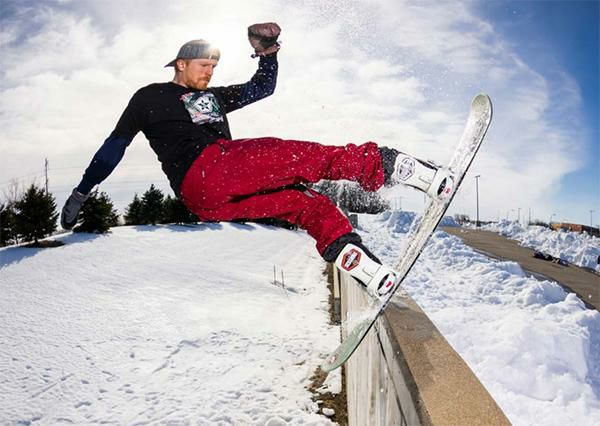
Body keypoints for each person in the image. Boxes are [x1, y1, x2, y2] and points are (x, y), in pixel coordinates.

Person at [60, 23, 453, 299]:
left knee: (303, 204)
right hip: (206, 170)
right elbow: (114, 146)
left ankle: (359, 262)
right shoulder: (149, 96)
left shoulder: (211, 98)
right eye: (203, 67)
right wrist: (82, 191)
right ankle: (395, 167)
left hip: (208, 203)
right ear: (180, 64)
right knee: (305, 157)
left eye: (213, 68)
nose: (209, 74)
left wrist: (266, 51)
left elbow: (261, 87)